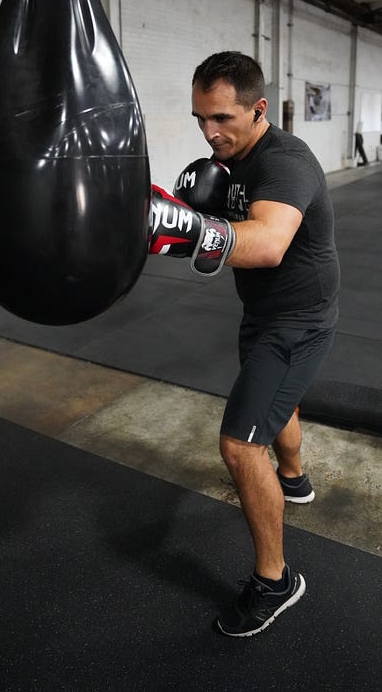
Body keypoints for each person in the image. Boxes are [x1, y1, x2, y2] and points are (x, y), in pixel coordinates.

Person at [152, 51, 340, 637]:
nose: (210, 133)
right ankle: (295, 477)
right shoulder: (224, 161)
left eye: (222, 119)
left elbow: (266, 245)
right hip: (263, 311)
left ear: (259, 109)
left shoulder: (285, 163)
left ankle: (276, 581)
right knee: (277, 405)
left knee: (238, 446)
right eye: (199, 119)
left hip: (299, 319)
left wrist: (182, 230)